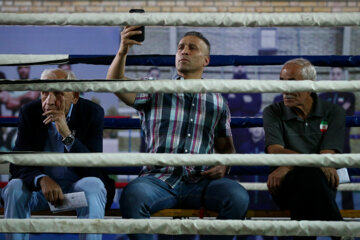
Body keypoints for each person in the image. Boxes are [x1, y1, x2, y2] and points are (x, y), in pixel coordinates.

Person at [107, 26, 249, 240]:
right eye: (180, 47)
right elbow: (115, 85)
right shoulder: (156, 88)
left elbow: (227, 149)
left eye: (192, 48)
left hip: (200, 181)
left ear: (206, 61)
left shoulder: (217, 100)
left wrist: (224, 165)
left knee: (238, 197)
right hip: (158, 180)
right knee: (133, 195)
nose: (184, 51)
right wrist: (123, 51)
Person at [1, 68, 115, 240]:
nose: (50, 100)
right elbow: (18, 165)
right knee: (14, 187)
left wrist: (66, 135)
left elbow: (93, 170)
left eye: (58, 93)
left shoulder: (92, 112)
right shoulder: (30, 112)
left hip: (75, 194)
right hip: (41, 194)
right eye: (45, 92)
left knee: (94, 185)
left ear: (75, 96)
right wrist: (41, 179)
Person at [263, 58, 344, 240]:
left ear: (310, 85)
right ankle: (341, 233)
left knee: (307, 184)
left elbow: (327, 154)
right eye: (282, 82)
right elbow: (276, 151)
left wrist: (289, 165)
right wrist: (312, 162)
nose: (285, 90)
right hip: (284, 186)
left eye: (292, 83)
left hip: (320, 183)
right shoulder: (273, 111)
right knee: (311, 175)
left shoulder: (333, 112)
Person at [319, 67, 355, 210]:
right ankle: (327, 214)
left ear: (343, 76)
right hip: (325, 146)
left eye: (338, 74)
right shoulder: (322, 96)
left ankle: (350, 214)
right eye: (333, 74)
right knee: (327, 181)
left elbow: (341, 117)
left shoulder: (349, 96)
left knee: (346, 182)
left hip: (343, 145)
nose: (335, 76)